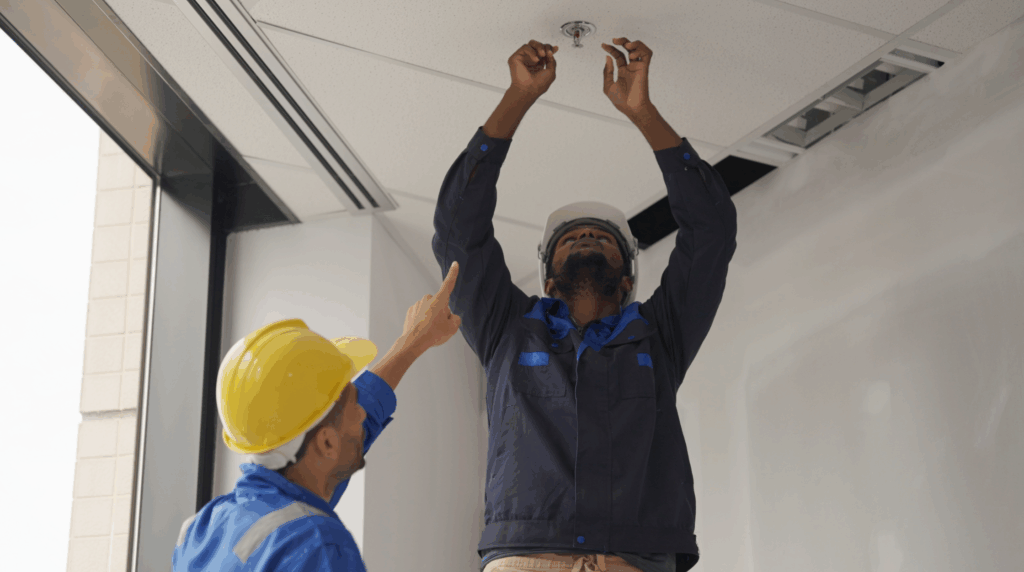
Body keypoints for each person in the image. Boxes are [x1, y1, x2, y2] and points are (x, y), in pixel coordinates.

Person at [432, 37, 738, 572]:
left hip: (634, 558)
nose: (587, 238)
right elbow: (459, 233)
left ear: (627, 279)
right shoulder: (507, 329)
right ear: (549, 279)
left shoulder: (660, 336)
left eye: (602, 238)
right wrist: (517, 99)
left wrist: (644, 115)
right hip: (529, 557)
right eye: (572, 239)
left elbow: (711, 231)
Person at [172, 262, 463, 571]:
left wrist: (412, 343)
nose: (363, 414)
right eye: (354, 410)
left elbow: (344, 423)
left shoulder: (202, 530)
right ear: (326, 444)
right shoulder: (317, 546)